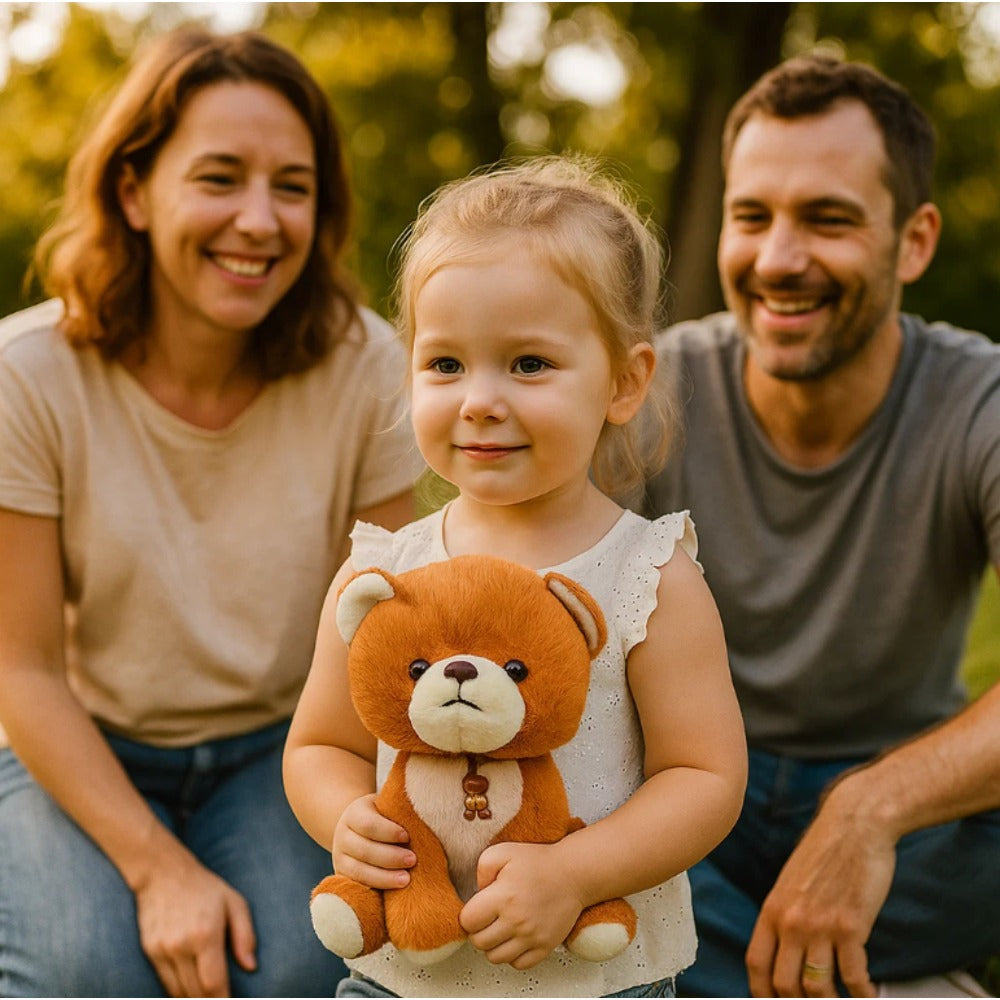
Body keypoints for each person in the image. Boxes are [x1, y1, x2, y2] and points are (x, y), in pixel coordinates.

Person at [0, 27, 424, 999]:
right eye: (220, 177)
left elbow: (379, 640)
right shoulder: (26, 377)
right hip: (84, 741)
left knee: (293, 971)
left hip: (283, 747)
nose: (259, 220)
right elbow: (19, 667)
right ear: (134, 192)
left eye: (292, 185)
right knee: (86, 971)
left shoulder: (364, 366)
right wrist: (159, 870)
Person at [283, 157, 748, 998]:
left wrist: (575, 872)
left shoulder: (648, 575)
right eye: (447, 365)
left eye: (529, 364)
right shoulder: (381, 572)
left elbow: (704, 777)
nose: (481, 400)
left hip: (594, 978)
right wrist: (343, 820)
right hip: (401, 974)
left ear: (624, 380)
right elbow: (322, 745)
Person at [642, 54, 1000, 998]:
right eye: (752, 216)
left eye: (829, 219)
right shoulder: (649, 395)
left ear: (913, 241)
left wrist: (867, 810)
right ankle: (799, 966)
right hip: (680, 796)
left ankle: (708, 965)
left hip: (907, 808)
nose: (779, 259)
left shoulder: (980, 402)